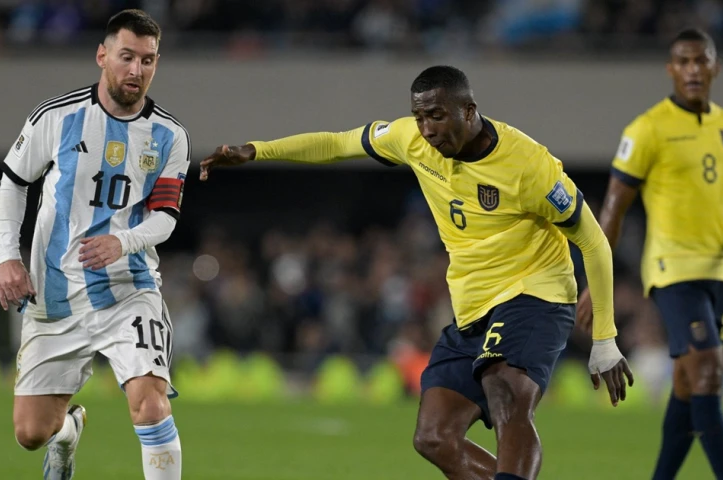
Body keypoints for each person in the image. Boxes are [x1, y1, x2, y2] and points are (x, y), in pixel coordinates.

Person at [199, 65, 633, 480]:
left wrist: (605, 338)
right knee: (435, 437)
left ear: (468, 111)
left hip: (534, 296)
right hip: (473, 306)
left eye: (437, 116)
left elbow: (593, 240)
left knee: (505, 389)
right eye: (419, 117)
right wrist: (257, 150)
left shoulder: (528, 164)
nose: (426, 129)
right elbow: (337, 143)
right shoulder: (412, 139)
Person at [0, 9, 189, 480]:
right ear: (102, 56)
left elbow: (165, 218)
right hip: (55, 293)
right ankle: (66, 433)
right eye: (127, 57)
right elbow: (14, 181)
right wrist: (7, 257)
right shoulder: (56, 117)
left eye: (147, 60)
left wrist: (123, 242)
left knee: (150, 404)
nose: (136, 70)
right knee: (30, 432)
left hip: (128, 290)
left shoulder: (169, 136)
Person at [578, 28, 723, 480]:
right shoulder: (647, 129)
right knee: (708, 373)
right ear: (671, 69)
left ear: (715, 67)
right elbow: (613, 210)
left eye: (701, 60)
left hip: (718, 270)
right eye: (683, 61)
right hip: (671, 270)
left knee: (688, 385)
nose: (693, 69)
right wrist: (597, 281)